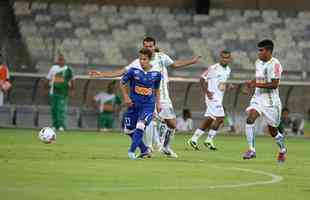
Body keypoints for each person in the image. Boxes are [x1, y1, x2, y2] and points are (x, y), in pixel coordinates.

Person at [89, 37, 200, 158]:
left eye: (150, 46)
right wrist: (103, 74)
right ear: (143, 47)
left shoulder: (162, 57)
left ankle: (165, 147)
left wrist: (192, 61)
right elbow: (122, 72)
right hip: (148, 99)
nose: (148, 48)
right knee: (148, 121)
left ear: (154, 46)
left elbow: (175, 64)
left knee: (172, 125)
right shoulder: (138, 62)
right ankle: (147, 150)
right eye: (146, 46)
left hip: (163, 97)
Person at [242, 39, 287, 163]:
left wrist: (256, 84)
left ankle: (282, 150)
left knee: (273, 131)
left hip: (271, 102)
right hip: (258, 98)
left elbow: (274, 84)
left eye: (261, 51)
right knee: (250, 119)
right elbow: (257, 77)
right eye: (259, 50)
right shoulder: (258, 62)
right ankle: (251, 150)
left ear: (268, 51)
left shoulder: (275, 64)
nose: (259, 53)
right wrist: (250, 84)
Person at [120, 48, 162, 160]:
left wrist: (158, 103)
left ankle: (131, 151)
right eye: (140, 59)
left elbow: (157, 89)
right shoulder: (133, 71)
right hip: (133, 106)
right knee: (128, 130)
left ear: (150, 59)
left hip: (148, 106)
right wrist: (126, 97)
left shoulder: (156, 73)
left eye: (144, 59)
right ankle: (144, 150)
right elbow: (122, 82)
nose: (142, 61)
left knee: (140, 126)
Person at [187, 50, 232, 151]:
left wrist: (228, 86)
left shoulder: (228, 69)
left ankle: (193, 139)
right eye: (223, 57)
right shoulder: (213, 68)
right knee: (220, 117)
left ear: (229, 59)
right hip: (212, 97)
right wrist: (207, 92)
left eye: (227, 58)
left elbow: (221, 83)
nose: (224, 59)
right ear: (220, 58)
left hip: (219, 98)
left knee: (210, 119)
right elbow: (202, 79)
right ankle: (209, 140)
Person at [45, 54, 75, 131]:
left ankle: (61, 125)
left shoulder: (68, 69)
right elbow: (48, 78)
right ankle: (55, 125)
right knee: (54, 109)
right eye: (59, 59)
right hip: (53, 92)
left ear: (65, 61)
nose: (61, 61)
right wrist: (45, 87)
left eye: (62, 60)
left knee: (60, 109)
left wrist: (72, 90)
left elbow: (72, 80)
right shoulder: (53, 68)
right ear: (57, 61)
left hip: (63, 93)